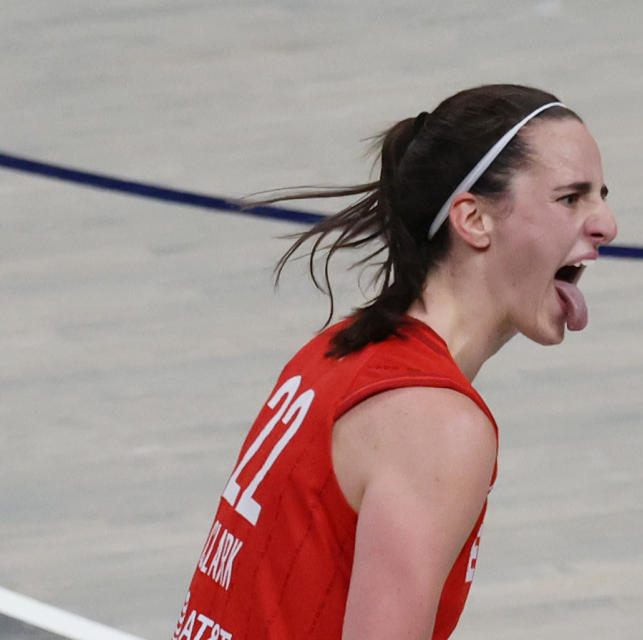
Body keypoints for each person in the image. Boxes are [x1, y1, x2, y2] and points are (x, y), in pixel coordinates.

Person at [173, 84, 617, 640]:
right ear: (473, 219)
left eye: (601, 195)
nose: (607, 224)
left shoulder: (336, 352)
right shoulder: (435, 425)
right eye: (571, 198)